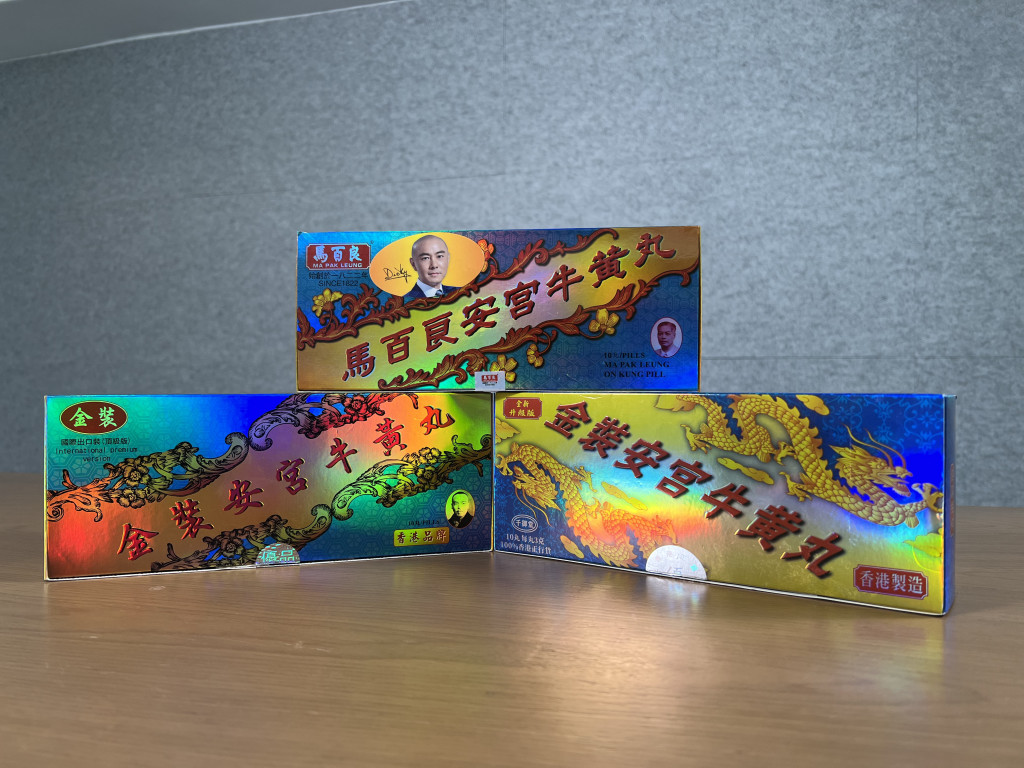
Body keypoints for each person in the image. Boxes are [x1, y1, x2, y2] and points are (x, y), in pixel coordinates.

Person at [404, 234, 456, 301]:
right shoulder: (406, 301)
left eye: (439, 256)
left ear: (448, 259)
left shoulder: (460, 292)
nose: (434, 265)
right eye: (425, 258)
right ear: (413, 264)